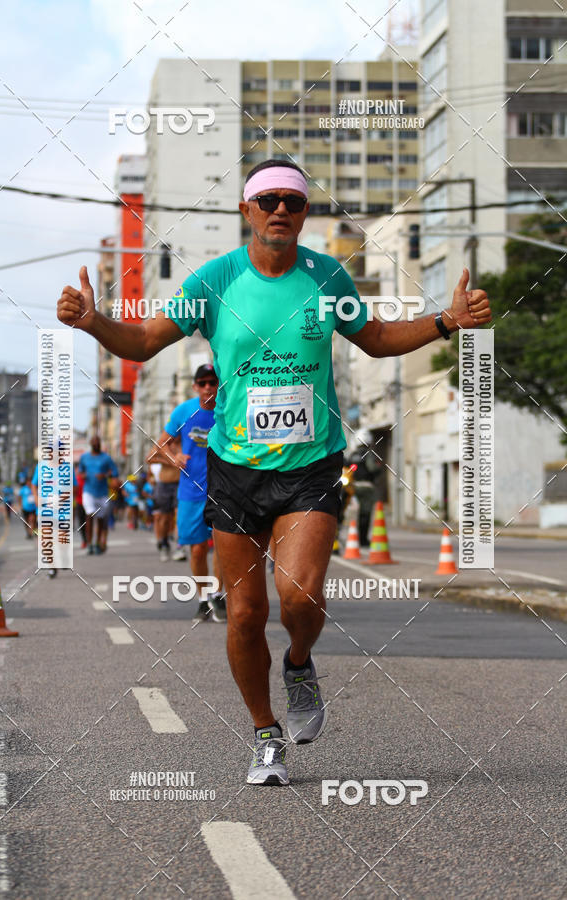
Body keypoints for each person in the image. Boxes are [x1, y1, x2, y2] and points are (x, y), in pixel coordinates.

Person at [57, 157, 492, 785]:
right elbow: (144, 341)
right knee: (241, 614)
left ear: (305, 212)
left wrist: (446, 320)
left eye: (293, 200)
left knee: (301, 596)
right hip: (234, 468)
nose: (280, 210)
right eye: (268, 200)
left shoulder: (327, 277)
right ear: (246, 211)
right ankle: (265, 735)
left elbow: (376, 338)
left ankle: (300, 662)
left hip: (311, 463)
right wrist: (93, 321)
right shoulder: (215, 280)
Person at [147, 365, 225, 623]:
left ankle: (219, 595)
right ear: (194, 386)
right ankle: (203, 600)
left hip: (225, 491)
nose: (207, 388)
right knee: (198, 550)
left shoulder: (229, 408)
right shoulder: (184, 411)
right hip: (191, 492)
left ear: (218, 384)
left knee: (225, 548)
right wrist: (174, 457)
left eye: (212, 382)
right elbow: (156, 450)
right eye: (202, 383)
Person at [78, 436, 118, 555]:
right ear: (91, 444)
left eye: (98, 442)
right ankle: (89, 544)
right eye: (94, 442)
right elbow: (80, 471)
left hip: (102, 493)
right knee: (89, 515)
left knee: (100, 519)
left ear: (100, 444)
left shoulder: (106, 458)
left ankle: (97, 543)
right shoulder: (84, 457)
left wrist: (105, 476)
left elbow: (114, 472)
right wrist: (83, 476)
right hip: (88, 491)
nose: (96, 444)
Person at [146, 444, 180, 561]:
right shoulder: (163, 445)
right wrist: (168, 461)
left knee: (178, 514)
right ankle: (164, 543)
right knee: (164, 518)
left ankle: (179, 546)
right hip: (164, 484)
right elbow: (149, 459)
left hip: (180, 484)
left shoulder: (184, 441)